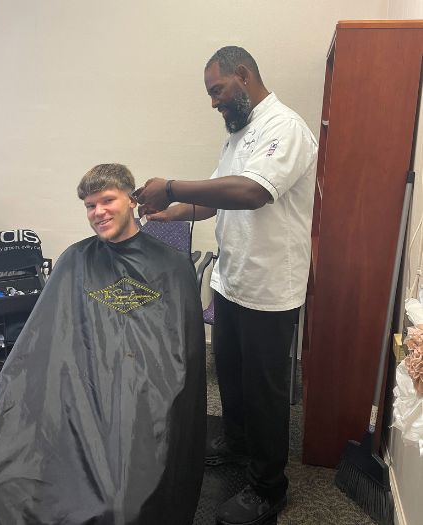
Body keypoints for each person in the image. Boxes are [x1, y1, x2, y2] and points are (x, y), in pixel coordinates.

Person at [0, 164, 206, 525]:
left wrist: (129, 374)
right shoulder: (74, 259)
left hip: (139, 388)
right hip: (74, 379)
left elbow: (178, 352)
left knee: (120, 505)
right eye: (90, 205)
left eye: (107, 200)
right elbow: (44, 334)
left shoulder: (171, 266)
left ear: (132, 200)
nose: (99, 212)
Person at [136, 47, 318, 525]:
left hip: (269, 288)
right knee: (233, 377)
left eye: (217, 90)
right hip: (232, 280)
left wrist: (172, 186)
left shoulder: (285, 128)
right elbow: (215, 202)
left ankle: (267, 488)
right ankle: (237, 444)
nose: (214, 102)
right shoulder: (239, 136)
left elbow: (253, 193)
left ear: (243, 75)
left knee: (265, 392)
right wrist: (167, 212)